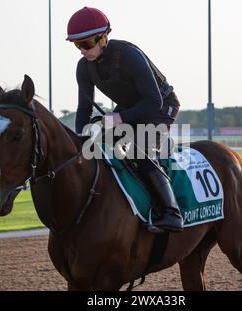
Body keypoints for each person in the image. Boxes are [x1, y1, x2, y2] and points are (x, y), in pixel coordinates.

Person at [67, 7, 183, 233]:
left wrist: (120, 117)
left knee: (140, 152)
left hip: (161, 105)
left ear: (103, 37)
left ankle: (172, 213)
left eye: (87, 44)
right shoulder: (84, 67)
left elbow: (153, 101)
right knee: (101, 147)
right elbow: (83, 108)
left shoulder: (130, 56)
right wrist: (80, 138)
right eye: (77, 45)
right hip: (131, 109)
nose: (82, 51)